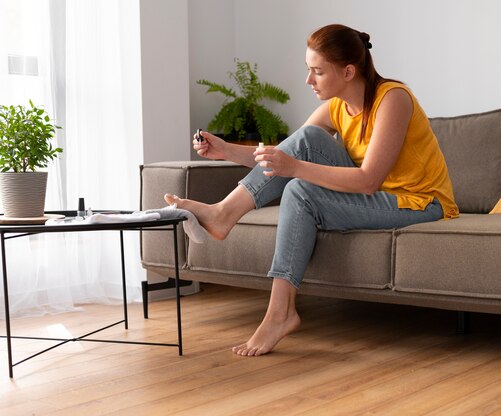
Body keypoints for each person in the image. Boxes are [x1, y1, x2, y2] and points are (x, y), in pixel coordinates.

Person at [164, 23, 459, 357]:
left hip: (420, 202)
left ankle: (278, 311)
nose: (309, 80)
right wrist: (227, 150)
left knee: (300, 189)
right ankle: (224, 216)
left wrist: (295, 169)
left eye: (318, 72)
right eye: (308, 70)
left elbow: (367, 180)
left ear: (348, 71)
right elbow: (285, 156)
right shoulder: (336, 107)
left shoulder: (393, 99)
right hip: (376, 198)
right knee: (307, 140)